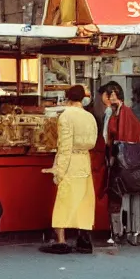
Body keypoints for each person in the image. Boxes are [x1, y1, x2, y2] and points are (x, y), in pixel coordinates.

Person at [42, 85, 100, 255]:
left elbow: (65, 146)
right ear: (83, 98)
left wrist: (58, 170)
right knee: (84, 199)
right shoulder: (90, 117)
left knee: (64, 199)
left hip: (70, 161)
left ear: (67, 97)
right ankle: (84, 238)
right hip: (84, 159)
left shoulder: (66, 116)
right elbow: (94, 141)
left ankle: (61, 240)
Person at [99, 82, 140, 246]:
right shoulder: (121, 112)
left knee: (118, 195)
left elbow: (115, 137)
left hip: (122, 162)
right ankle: (131, 232)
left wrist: (113, 156)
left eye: (107, 94)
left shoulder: (119, 113)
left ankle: (121, 232)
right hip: (130, 162)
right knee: (132, 195)